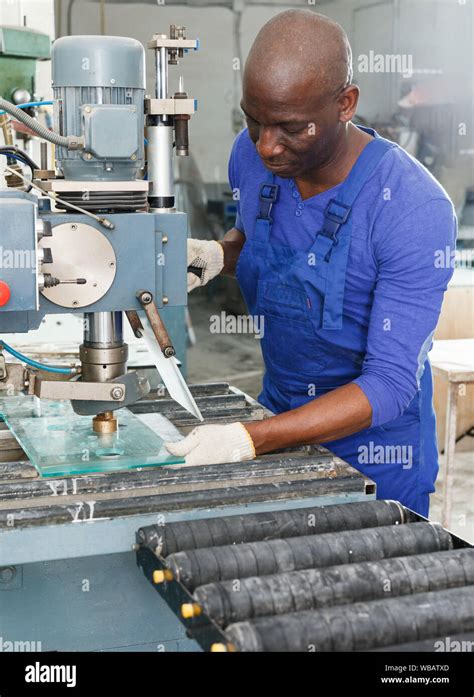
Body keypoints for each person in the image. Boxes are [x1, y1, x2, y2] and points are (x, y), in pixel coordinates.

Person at [166, 10, 457, 517]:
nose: (266, 146)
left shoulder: (412, 208)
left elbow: (389, 383)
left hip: (376, 456)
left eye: (289, 129)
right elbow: (270, 240)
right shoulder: (252, 156)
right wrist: (219, 254)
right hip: (278, 414)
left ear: (346, 104)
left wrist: (248, 439)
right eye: (253, 120)